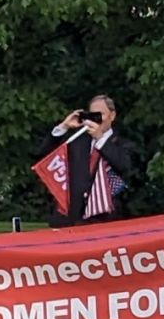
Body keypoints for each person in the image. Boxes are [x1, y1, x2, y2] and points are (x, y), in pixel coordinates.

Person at [49, 95, 141, 226]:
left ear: (112, 115)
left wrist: (100, 139)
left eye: (100, 115)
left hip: (105, 217)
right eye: (92, 115)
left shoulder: (124, 144)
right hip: (72, 217)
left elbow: (124, 165)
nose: (96, 120)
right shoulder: (77, 141)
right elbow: (45, 156)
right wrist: (64, 126)